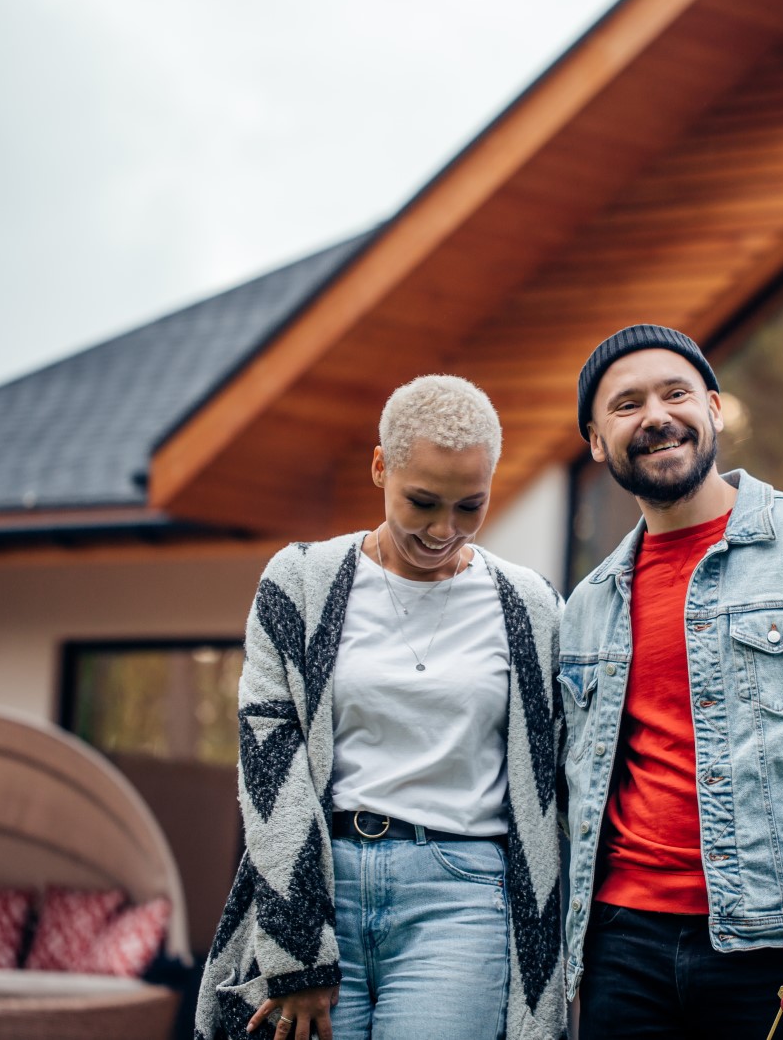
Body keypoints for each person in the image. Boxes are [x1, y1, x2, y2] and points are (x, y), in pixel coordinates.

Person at [559, 324, 783, 1038]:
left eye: (675, 393)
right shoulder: (588, 604)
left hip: (781, 938)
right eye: (626, 405)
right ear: (597, 443)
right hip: (623, 951)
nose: (656, 415)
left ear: (715, 410)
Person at [193, 375, 566, 1040]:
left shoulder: (530, 605)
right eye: (422, 501)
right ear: (379, 466)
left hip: (462, 895)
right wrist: (299, 947)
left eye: (468, 506)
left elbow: (553, 782)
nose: (442, 530)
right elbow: (269, 761)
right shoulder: (300, 582)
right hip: (323, 884)